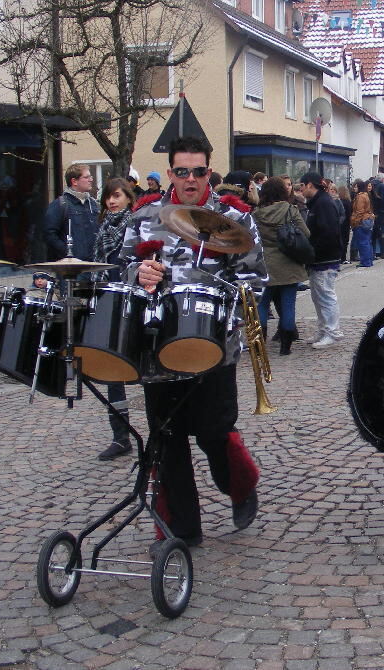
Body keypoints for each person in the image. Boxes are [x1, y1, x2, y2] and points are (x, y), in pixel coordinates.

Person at [121, 136, 266, 548]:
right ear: (169, 173)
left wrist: (230, 316)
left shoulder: (233, 217)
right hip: (158, 342)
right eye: (181, 172)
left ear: (209, 171)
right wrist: (138, 276)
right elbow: (119, 269)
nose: (189, 179)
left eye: (198, 171)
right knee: (166, 435)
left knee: (213, 430)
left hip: (214, 343)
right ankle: (180, 529)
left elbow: (255, 280)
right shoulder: (145, 215)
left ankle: (239, 485)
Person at [92, 177, 137, 461]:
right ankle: (120, 436)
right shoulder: (103, 229)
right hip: (108, 299)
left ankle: (163, 431)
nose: (112, 201)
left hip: (132, 302)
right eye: (108, 196)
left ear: (128, 199)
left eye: (117, 196)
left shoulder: (136, 225)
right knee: (112, 371)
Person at [253, 177, 311, 355]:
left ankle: (260, 343)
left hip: (264, 264)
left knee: (262, 305)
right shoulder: (290, 210)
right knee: (288, 304)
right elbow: (306, 232)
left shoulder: (256, 214)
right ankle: (286, 347)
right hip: (288, 263)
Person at [300, 171, 344, 349]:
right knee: (318, 297)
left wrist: (313, 251)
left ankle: (332, 332)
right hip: (320, 259)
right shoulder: (317, 203)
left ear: (310, 185)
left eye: (302, 186)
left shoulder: (323, 204)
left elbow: (329, 233)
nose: (301, 190)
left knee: (325, 296)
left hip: (325, 259)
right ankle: (324, 329)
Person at [42, 164, 100, 261]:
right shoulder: (60, 205)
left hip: (95, 267)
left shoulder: (94, 205)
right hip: (72, 268)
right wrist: (68, 253)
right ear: (74, 181)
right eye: (86, 177)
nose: (91, 180)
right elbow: (49, 234)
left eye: (91, 176)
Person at [350, 180, 375, 268]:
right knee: (367, 241)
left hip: (361, 221)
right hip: (367, 219)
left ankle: (365, 262)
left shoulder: (360, 197)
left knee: (362, 242)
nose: (354, 188)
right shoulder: (366, 195)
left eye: (356, 186)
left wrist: (355, 222)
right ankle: (369, 260)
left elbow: (359, 211)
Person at [370, 172, 384, 258]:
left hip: (372, 212)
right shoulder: (383, 186)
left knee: (373, 234)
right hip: (382, 213)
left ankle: (373, 253)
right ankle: (383, 253)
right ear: (383, 179)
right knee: (382, 233)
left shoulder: (370, 185)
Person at [336, 185, 353, 263]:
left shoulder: (339, 202)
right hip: (346, 224)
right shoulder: (348, 202)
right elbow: (349, 214)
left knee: (340, 241)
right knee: (345, 241)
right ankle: (343, 258)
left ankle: (340, 257)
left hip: (339, 223)